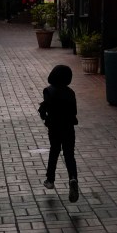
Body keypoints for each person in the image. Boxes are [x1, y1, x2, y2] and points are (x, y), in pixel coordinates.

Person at [37, 64, 79, 202]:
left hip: (54, 127)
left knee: (54, 151)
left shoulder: (48, 91)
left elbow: (44, 111)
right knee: (69, 154)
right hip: (68, 128)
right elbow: (74, 112)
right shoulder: (71, 92)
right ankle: (73, 178)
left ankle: (50, 180)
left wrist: (45, 114)